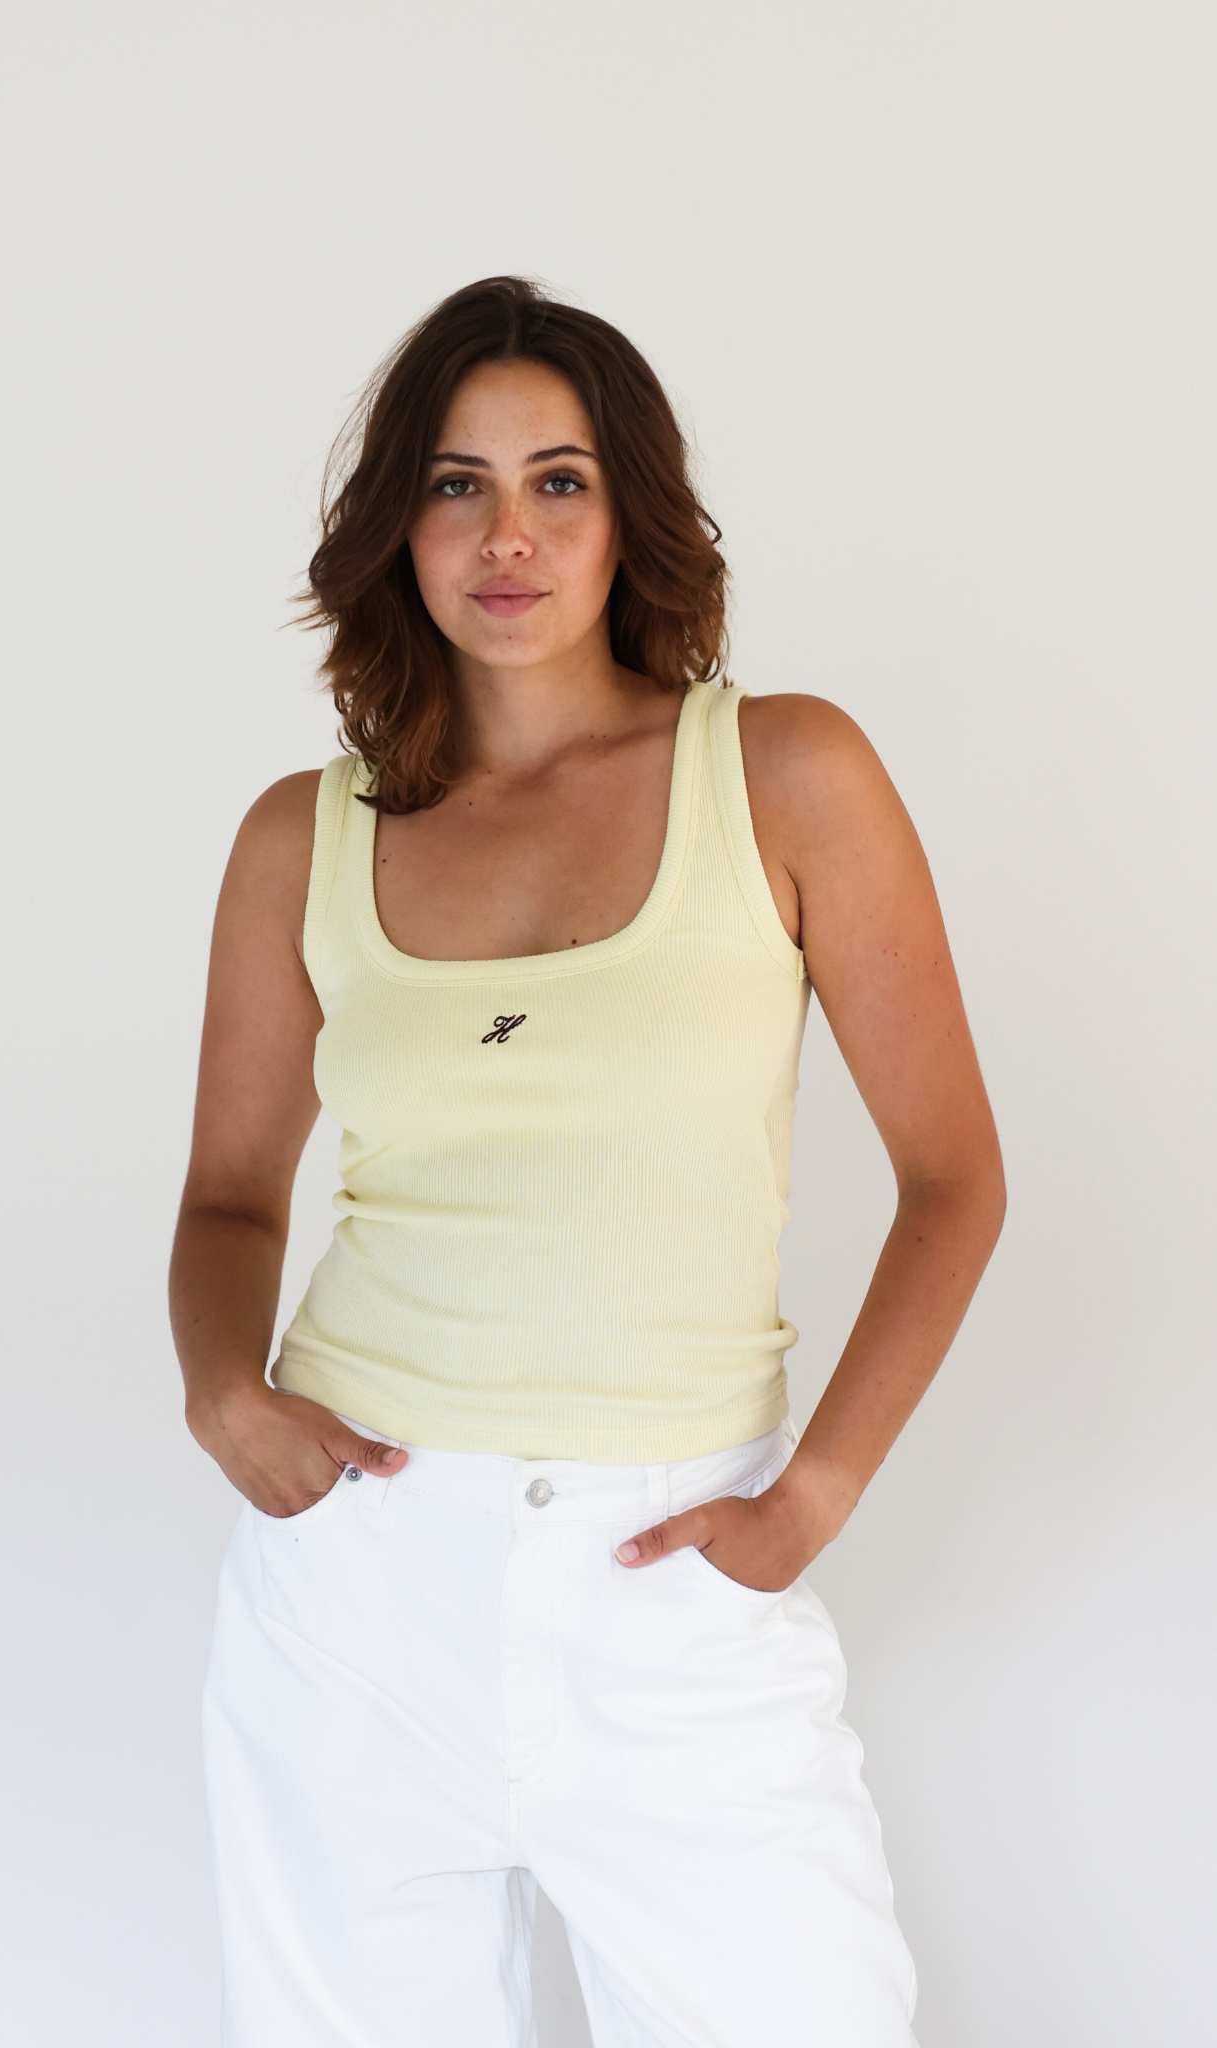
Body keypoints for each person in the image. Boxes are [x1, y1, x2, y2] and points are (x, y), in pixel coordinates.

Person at [170, 275, 1006, 2047]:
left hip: (671, 1577)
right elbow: (230, 1195)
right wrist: (221, 1392)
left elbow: (953, 1178)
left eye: (558, 481)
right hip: (355, 1591)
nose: (508, 536)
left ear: (631, 512)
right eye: (455, 484)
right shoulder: (299, 838)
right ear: (395, 523)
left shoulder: (782, 772)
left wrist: (808, 1504)